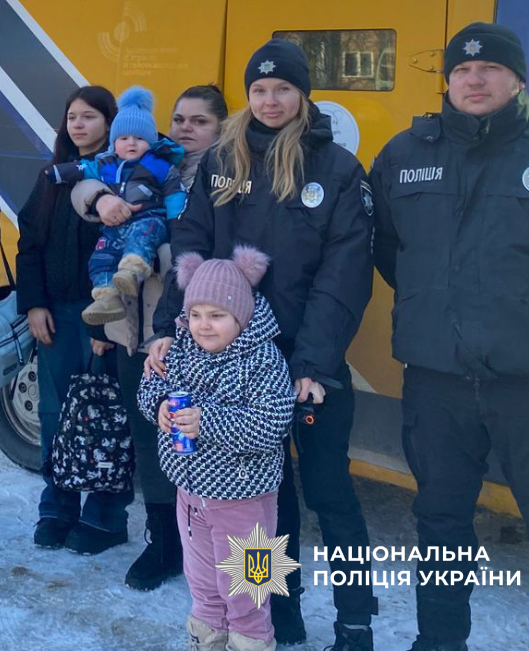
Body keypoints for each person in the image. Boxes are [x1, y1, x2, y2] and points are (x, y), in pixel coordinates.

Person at [147, 40, 376, 651]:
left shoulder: (336, 169)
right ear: (247, 96)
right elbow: (190, 242)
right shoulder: (224, 159)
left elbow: (344, 274)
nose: (270, 100)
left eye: (282, 89)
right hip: (231, 362)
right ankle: (279, 611)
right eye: (259, 90)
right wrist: (170, 327)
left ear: (302, 94)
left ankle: (356, 620)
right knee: (263, 504)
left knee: (330, 491)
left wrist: (316, 363)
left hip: (307, 362)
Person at [370, 21, 529, 651]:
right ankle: (439, 641)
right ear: (447, 81)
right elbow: (391, 248)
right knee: (440, 523)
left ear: (517, 78)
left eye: (490, 69)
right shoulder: (405, 153)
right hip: (437, 381)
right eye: (463, 71)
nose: (475, 80)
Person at [73, 84, 228, 590]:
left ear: (221, 128)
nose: (185, 128)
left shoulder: (227, 177)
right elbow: (82, 187)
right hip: (130, 332)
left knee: (191, 441)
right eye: (179, 117)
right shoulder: (147, 161)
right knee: (148, 435)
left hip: (190, 335)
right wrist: (98, 197)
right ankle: (163, 541)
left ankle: (204, 544)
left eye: (199, 121)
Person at [138, 247, 295, 651]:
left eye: (217, 316)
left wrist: (206, 420)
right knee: (203, 581)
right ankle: (207, 637)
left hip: (247, 500)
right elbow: (150, 386)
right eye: (195, 315)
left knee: (251, 589)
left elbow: (272, 423)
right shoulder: (179, 349)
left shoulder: (263, 360)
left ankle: (253, 641)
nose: (203, 326)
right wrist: (157, 406)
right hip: (191, 494)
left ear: (241, 315)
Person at [17, 85, 134, 554]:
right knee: (55, 413)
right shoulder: (52, 176)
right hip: (56, 315)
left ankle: (106, 516)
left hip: (103, 321)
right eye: (72, 117)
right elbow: (29, 245)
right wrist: (34, 304)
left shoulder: (122, 177)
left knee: (106, 416)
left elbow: (128, 253)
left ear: (110, 123)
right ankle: (57, 505)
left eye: (90, 116)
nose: (78, 124)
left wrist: (106, 326)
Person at [48, 86, 186, 325]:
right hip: (115, 227)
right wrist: (59, 173)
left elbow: (174, 194)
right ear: (114, 141)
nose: (131, 143)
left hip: (148, 218)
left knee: (141, 240)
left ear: (151, 141)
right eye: (123, 138)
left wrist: (175, 225)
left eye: (139, 138)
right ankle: (107, 296)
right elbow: (85, 170)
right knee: (101, 256)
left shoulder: (159, 165)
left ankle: (131, 273)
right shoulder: (107, 163)